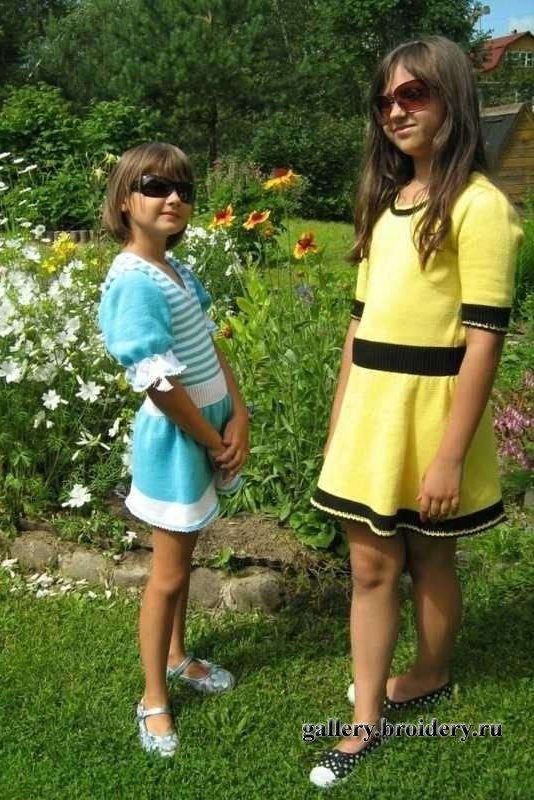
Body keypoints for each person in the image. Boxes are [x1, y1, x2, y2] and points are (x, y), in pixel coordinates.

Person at [309, 36, 523, 787]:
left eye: (413, 94)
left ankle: (430, 671)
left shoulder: (479, 207)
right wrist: (340, 422)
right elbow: (359, 324)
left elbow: (484, 340)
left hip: (434, 412)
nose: (395, 111)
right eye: (385, 100)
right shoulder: (386, 202)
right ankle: (365, 720)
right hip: (373, 411)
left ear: (452, 99)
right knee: (370, 564)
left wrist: (449, 457)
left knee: (432, 556)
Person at [98, 142, 249, 757]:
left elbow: (209, 349)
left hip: (207, 430)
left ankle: (178, 654)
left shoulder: (175, 270)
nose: (174, 199)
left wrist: (238, 412)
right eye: (156, 187)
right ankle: (153, 696)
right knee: (166, 576)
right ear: (125, 199)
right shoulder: (133, 281)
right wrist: (210, 438)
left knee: (183, 560)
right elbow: (158, 384)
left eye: (184, 189)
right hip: (177, 440)